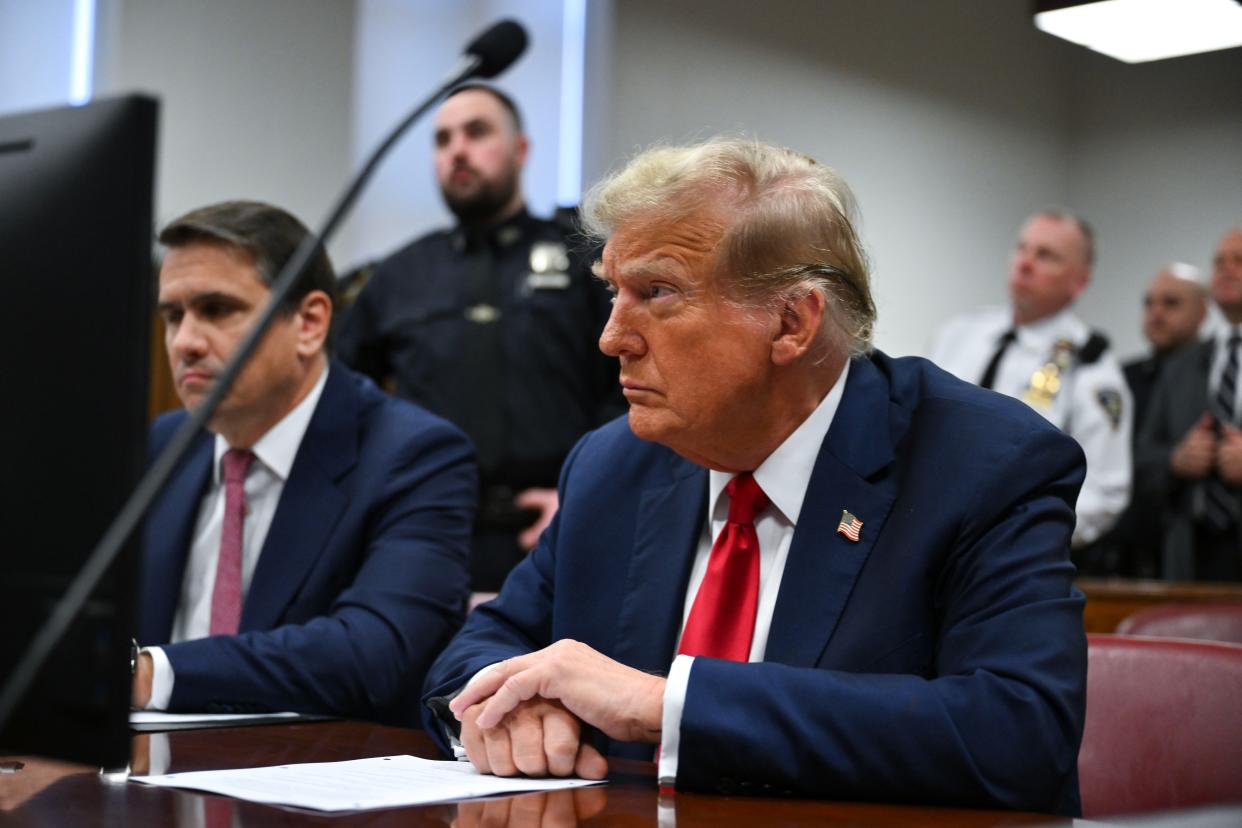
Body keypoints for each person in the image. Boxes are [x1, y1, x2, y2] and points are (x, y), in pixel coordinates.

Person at [423, 139, 1088, 815]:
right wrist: (505, 710)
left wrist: (666, 705)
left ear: (792, 321)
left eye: (657, 293)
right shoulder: (614, 463)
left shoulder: (982, 463)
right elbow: (481, 646)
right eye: (613, 293)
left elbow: (1019, 732)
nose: (612, 337)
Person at [134, 200, 477, 725]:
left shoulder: (414, 455)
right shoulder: (163, 446)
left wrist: (153, 673)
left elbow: (375, 652)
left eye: (217, 310)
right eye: (172, 316)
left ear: (310, 323)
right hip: (144, 775)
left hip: (315, 783)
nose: (185, 343)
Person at [337, 84, 624, 591]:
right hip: (423, 534)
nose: (458, 151)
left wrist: (586, 495)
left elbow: (629, 388)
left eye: (477, 132)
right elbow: (340, 399)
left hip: (557, 530)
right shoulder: (399, 275)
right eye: (442, 140)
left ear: (521, 150)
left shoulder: (585, 262)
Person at [929, 211, 1131, 551]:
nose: (1025, 263)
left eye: (1046, 256)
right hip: (930, 534)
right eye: (1022, 249)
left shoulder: (1091, 370)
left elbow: (1106, 492)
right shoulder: (958, 335)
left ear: (1079, 281)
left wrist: (1026, 534)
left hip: (1012, 554)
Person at [1136, 228, 1242, 580]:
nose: (1226, 270)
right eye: (1218, 262)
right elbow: (1142, 457)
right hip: (1189, 554)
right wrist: (1176, 460)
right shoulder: (1181, 366)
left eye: (1239, 260)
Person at [1124, 264, 1207, 430]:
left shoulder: (1219, 379)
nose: (1156, 312)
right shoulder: (1123, 379)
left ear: (1201, 312)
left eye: (1171, 303)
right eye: (1149, 303)